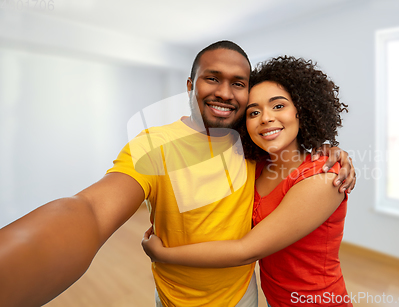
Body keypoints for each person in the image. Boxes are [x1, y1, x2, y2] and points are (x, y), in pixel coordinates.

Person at [0, 41, 356, 307]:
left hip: (247, 296)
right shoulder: (155, 145)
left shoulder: (261, 155)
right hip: (173, 298)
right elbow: (90, 211)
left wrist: (331, 150)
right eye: (212, 79)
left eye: (238, 83)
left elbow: (250, 246)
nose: (223, 92)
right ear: (190, 85)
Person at [142, 56, 352, 306]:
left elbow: (246, 250)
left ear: (301, 110)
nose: (265, 118)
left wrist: (163, 254)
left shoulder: (324, 178)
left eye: (278, 106)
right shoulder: (256, 167)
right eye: (254, 112)